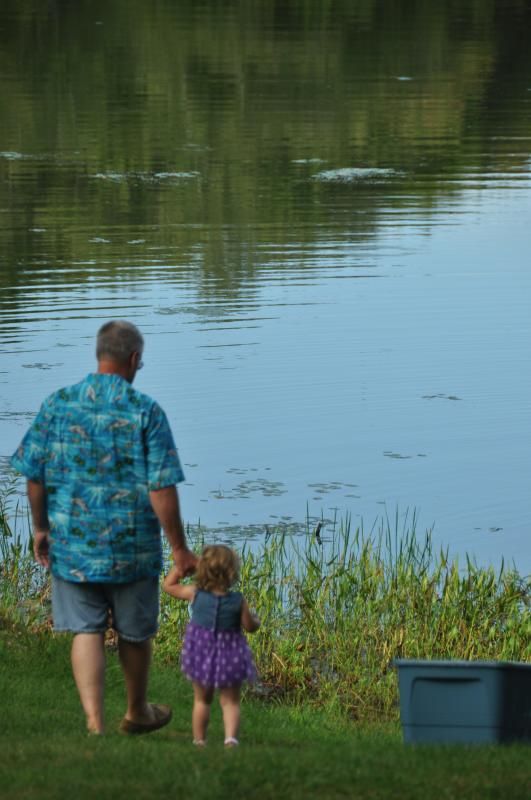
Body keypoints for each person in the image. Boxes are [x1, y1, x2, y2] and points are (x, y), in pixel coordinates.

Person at [11, 320, 197, 736]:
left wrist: (41, 529)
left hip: (73, 544)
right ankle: (136, 712)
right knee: (134, 632)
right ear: (133, 359)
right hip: (133, 548)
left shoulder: (57, 404)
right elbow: (161, 486)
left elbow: (35, 475)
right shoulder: (145, 411)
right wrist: (180, 549)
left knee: (85, 629)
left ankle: (95, 725)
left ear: (99, 356)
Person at [163, 544, 260, 747]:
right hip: (230, 655)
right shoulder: (238, 600)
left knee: (202, 700)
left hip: (201, 655)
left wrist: (181, 567)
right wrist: (256, 620)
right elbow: (250, 627)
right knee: (230, 701)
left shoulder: (195, 593)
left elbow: (168, 586)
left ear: (202, 570)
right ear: (232, 573)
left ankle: (199, 741)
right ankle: (231, 740)